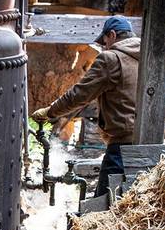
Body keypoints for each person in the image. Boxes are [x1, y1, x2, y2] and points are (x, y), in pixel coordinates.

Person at [31, 16, 140, 198]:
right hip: (147, 143)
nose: (104, 47)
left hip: (121, 147)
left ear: (112, 35)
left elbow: (79, 95)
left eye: (104, 42)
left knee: (103, 208)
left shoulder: (111, 58)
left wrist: (50, 112)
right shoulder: (145, 56)